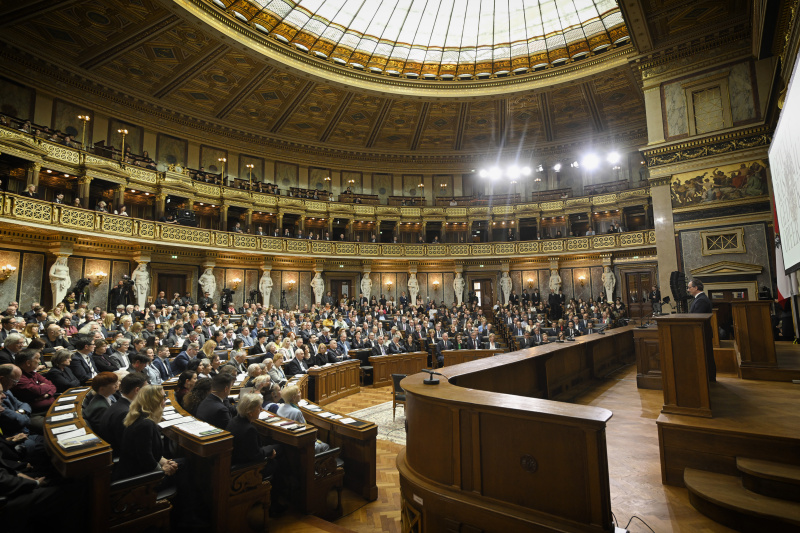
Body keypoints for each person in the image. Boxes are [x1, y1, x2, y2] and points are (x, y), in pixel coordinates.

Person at [115, 384, 179, 480]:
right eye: (163, 397)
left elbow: (149, 453)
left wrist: (165, 462)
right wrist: (162, 471)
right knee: (186, 466)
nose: (165, 400)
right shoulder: (145, 424)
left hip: (142, 471)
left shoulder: (140, 416)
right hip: (141, 480)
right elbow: (146, 459)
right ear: (154, 401)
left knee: (179, 464)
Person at [95, 373, 147, 454]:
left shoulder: (119, 404)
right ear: (137, 390)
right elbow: (128, 446)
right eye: (146, 388)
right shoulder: (125, 413)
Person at [276, 385, 329, 453]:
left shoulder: (280, 409)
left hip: (287, 441)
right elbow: (305, 430)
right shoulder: (296, 412)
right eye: (298, 392)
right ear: (293, 397)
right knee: (326, 446)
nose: (300, 393)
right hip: (301, 443)